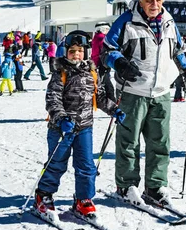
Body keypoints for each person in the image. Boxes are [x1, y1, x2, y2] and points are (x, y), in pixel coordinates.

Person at [101, 0, 186, 205]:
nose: (154, 4)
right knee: (129, 141)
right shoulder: (126, 22)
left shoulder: (168, 21)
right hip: (132, 91)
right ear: (141, 0)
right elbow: (107, 50)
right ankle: (126, 186)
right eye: (149, 0)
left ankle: (155, 186)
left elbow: (177, 51)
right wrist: (120, 63)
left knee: (160, 142)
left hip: (162, 91)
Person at [34, 31, 123, 217]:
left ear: (86, 52)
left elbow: (99, 97)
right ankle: (44, 195)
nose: (76, 55)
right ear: (66, 52)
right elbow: (52, 99)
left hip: (84, 128)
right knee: (57, 162)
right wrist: (61, 118)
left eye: (80, 51)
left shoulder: (92, 71)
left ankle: (83, 199)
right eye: (72, 51)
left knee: (86, 165)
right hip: (62, 128)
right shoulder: (60, 72)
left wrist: (114, 109)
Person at [91, 22, 114, 101]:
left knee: (103, 80)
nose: (108, 31)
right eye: (107, 29)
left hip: (97, 61)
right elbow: (106, 50)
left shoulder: (97, 37)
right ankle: (110, 99)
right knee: (105, 82)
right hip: (101, 62)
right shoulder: (102, 38)